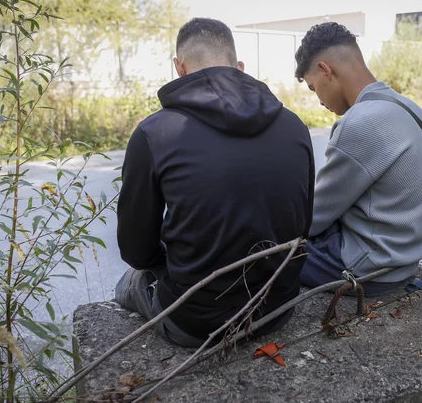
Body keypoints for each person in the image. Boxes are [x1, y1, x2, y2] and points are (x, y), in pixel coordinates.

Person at [115, 18, 314, 347]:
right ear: (239, 67)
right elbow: (301, 225)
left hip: (195, 324)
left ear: (179, 68)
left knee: (129, 282)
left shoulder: (154, 133)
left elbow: (136, 252)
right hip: (277, 309)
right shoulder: (294, 126)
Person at [294, 22, 422, 296]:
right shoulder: (409, 108)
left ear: (326, 70)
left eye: (314, 88)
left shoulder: (359, 122)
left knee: (265, 250)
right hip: (405, 260)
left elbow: (312, 220)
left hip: (370, 270)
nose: (319, 101)